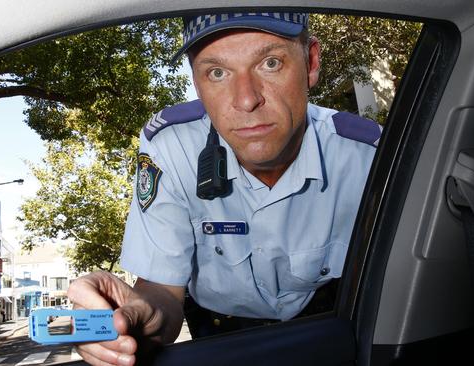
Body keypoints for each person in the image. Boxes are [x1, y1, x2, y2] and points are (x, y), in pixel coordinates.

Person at [68, 12, 380, 366]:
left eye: (270, 63)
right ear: (197, 83)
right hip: (219, 342)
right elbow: (162, 289)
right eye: (217, 72)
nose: (246, 100)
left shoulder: (366, 157)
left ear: (310, 63)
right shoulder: (173, 148)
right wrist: (136, 316)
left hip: (333, 334)